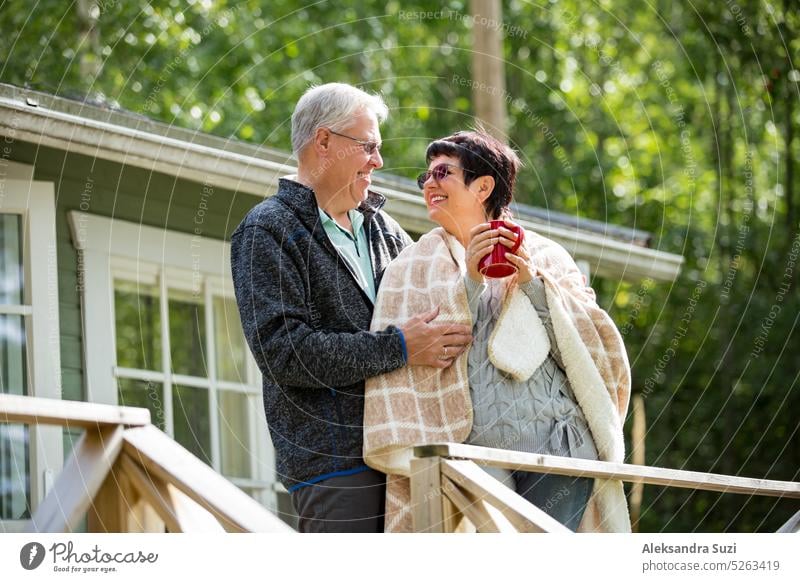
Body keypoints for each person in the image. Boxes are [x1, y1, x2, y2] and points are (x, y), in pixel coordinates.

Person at [230, 84, 472, 533]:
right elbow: (285, 353)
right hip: (335, 466)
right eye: (369, 146)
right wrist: (398, 347)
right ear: (324, 142)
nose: (378, 161)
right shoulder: (266, 230)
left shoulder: (387, 232)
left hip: (408, 452)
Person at [363, 130, 632, 532]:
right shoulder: (411, 267)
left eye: (442, 173)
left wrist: (534, 284)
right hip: (471, 447)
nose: (429, 184)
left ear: (483, 186)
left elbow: (587, 344)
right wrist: (469, 281)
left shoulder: (545, 254)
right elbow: (424, 351)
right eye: (426, 177)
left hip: (561, 444)